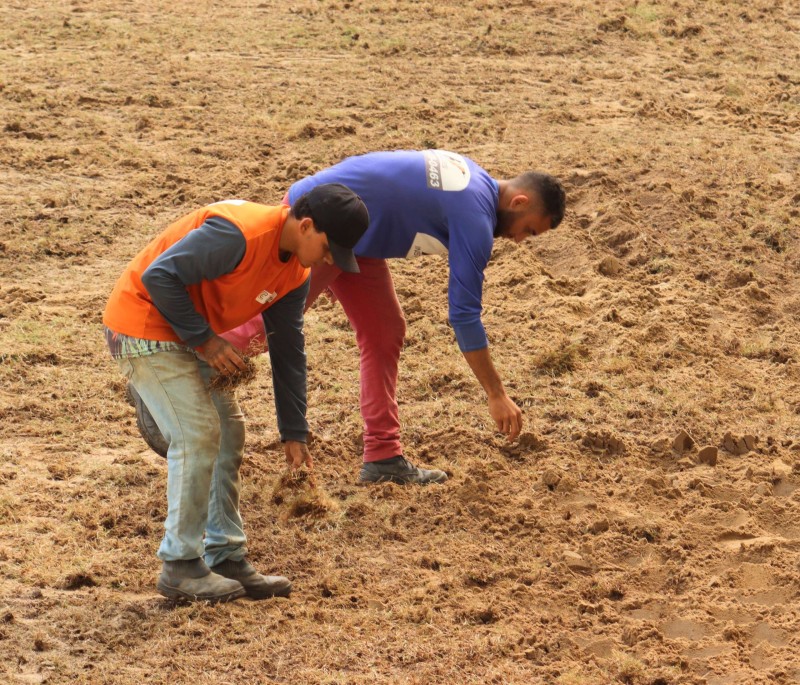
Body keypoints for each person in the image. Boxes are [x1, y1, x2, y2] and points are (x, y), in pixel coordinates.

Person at [134, 150, 566, 487]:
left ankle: (383, 455)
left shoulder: (475, 181)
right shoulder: (476, 217)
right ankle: (169, 390)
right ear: (519, 201)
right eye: (529, 229)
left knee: (384, 330)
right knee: (269, 326)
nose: (521, 239)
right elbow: (464, 314)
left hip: (357, 239)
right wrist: (495, 393)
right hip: (323, 227)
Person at [103, 184, 369, 603]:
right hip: (142, 326)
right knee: (198, 433)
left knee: (230, 431)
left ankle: (225, 555)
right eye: (328, 247)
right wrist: (207, 341)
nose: (329, 260)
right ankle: (180, 565)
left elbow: (288, 348)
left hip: (187, 333)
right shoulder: (239, 235)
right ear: (306, 225)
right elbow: (159, 276)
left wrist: (294, 432)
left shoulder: (295, 273)